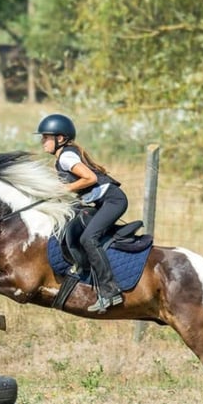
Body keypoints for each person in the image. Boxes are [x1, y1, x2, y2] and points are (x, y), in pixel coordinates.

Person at [36, 113, 128, 313]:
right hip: (101, 203)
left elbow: (90, 178)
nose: (42, 141)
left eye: (46, 137)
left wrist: (64, 190)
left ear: (60, 138)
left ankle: (110, 292)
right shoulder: (63, 157)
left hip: (113, 201)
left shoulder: (67, 157)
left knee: (88, 238)